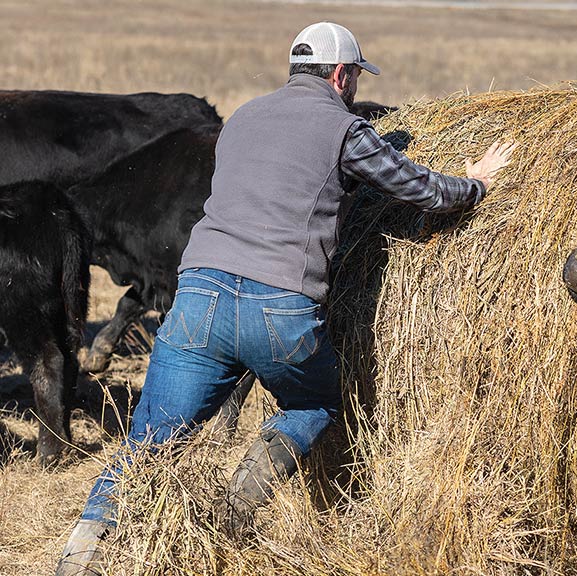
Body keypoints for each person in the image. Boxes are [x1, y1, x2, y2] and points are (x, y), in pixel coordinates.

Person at [56, 21, 516, 575]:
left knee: (148, 443)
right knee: (313, 403)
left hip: (198, 294)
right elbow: (422, 191)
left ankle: (79, 556)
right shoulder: (346, 130)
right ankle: (235, 510)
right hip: (279, 307)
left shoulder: (243, 118)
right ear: (342, 75)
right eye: (353, 78)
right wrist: (477, 183)